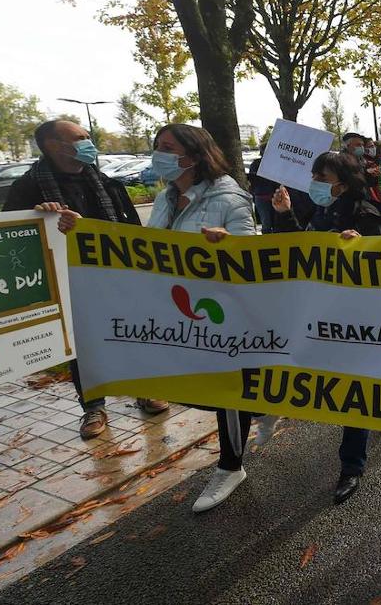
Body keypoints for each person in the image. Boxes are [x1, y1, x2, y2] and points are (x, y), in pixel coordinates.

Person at [3, 119, 169, 439]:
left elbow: (132, 231)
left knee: (132, 333)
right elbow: (13, 238)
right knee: (84, 344)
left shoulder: (106, 183)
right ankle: (93, 406)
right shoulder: (28, 188)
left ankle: (145, 388)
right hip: (68, 282)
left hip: (115, 277)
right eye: (80, 138)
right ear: (53, 145)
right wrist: (38, 220)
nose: (88, 142)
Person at [146, 124, 259, 512]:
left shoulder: (230, 198)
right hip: (179, 307)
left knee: (227, 390)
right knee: (205, 387)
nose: (158, 153)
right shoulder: (165, 198)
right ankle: (257, 407)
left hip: (220, 311)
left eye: (167, 147)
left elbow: (251, 256)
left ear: (193, 156)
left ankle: (231, 466)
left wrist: (228, 244)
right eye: (157, 146)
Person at [269, 151, 381, 505]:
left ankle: (351, 466)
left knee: (354, 389)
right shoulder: (320, 210)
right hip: (319, 313)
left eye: (323, 177)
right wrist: (284, 215)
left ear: (343, 184)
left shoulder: (366, 215)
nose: (315, 183)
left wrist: (358, 249)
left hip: (354, 318)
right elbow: (301, 252)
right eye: (314, 175)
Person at [247, 142, 279, 234]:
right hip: (262, 197)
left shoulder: (277, 163)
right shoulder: (256, 164)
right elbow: (253, 180)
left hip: (275, 196)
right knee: (266, 223)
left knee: (277, 222)